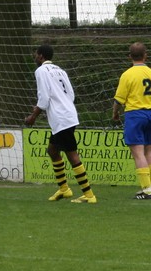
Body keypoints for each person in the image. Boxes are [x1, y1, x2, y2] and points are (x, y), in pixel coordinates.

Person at [24, 45, 97, 204]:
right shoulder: (61, 71)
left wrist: (33, 116)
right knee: (52, 150)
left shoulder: (41, 71)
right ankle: (64, 189)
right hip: (68, 114)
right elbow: (71, 95)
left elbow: (44, 97)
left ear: (41, 56)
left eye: (36, 54)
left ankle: (89, 195)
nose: (35, 57)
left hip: (61, 118)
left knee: (72, 155)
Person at [112, 42, 151, 200]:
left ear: (130, 56)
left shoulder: (127, 75)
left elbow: (119, 99)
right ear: (145, 56)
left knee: (138, 153)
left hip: (135, 115)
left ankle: (147, 190)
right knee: (148, 151)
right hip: (150, 114)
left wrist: (115, 114)